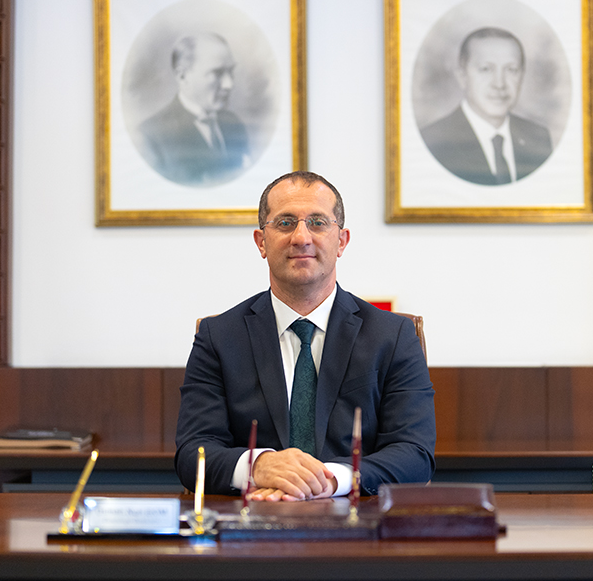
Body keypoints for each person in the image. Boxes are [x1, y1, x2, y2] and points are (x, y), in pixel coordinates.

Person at [175, 171, 435, 500]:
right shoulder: (219, 337)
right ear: (261, 242)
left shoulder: (394, 336)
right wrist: (258, 466)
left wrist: (330, 479)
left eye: (318, 222)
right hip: (252, 520)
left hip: (358, 521)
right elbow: (193, 451)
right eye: (285, 223)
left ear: (341, 241)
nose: (301, 237)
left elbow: (414, 454)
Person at [420, 26, 553, 185]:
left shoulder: (539, 138)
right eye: (485, 69)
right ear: (462, 77)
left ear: (522, 76)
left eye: (511, 70)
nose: (499, 84)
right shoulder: (433, 142)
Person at [136, 32, 250, 186]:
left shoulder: (234, 124)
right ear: (183, 77)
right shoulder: (150, 136)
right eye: (217, 73)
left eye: (230, 71)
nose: (229, 84)